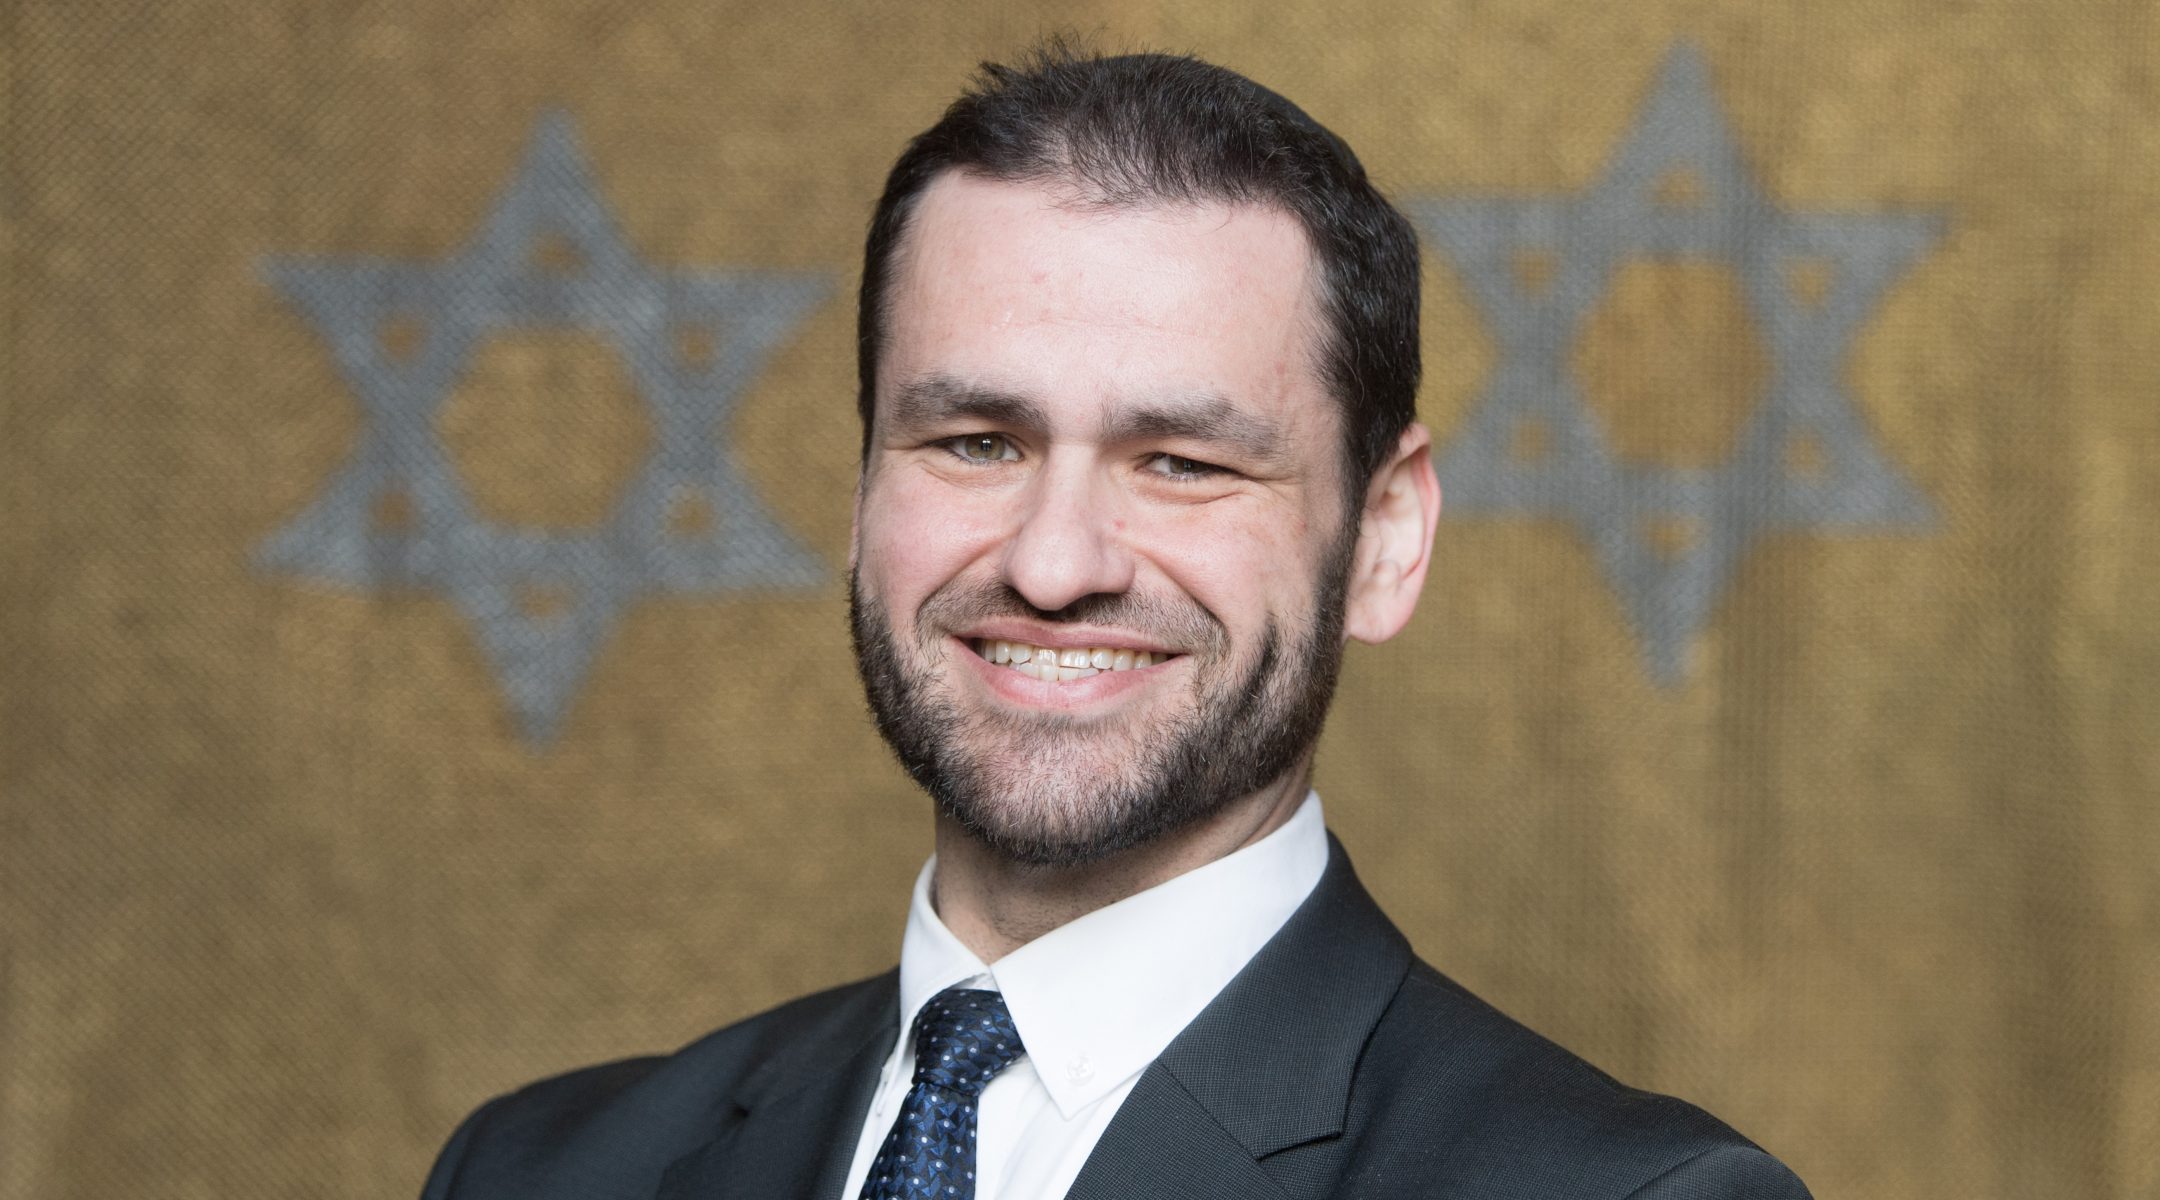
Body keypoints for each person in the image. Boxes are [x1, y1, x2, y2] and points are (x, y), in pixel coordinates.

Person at [421, 44, 1811, 1200]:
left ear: (1385, 538)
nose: (1052, 562)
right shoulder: (540, 1171)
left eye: (1182, 462)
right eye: (974, 442)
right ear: (858, 491)